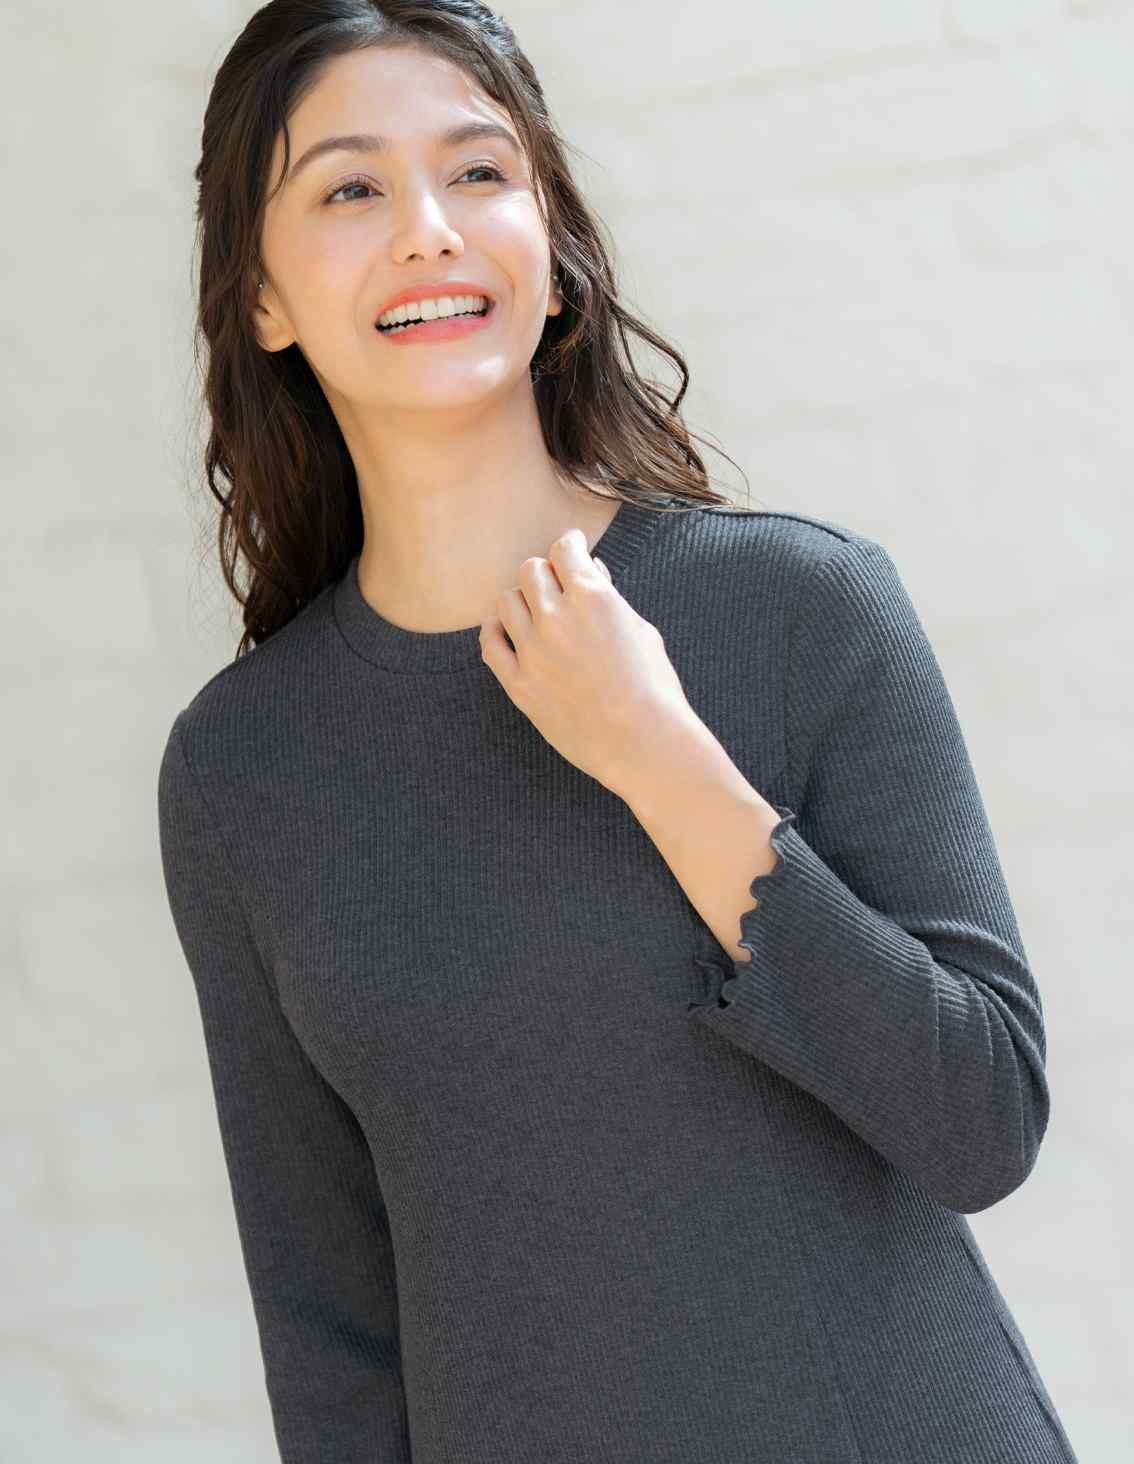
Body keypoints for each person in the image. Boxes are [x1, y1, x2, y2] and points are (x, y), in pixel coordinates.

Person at [157, 3, 1080, 1461]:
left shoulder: (800, 608)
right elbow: (327, 1320)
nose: (428, 232)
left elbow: (978, 1120)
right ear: (261, 295)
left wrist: (657, 754)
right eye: (350, 189)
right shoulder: (243, 770)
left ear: (552, 249)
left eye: (478, 173)